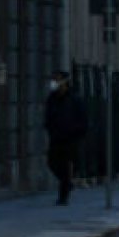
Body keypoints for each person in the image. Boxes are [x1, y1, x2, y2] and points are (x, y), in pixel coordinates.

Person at [44, 71, 87, 205]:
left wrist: (77, 132)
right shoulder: (52, 98)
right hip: (56, 137)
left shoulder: (74, 98)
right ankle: (67, 183)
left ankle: (63, 197)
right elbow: (48, 115)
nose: (54, 83)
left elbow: (83, 118)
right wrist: (49, 128)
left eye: (57, 80)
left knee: (65, 165)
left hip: (70, 138)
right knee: (52, 163)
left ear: (64, 82)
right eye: (54, 80)